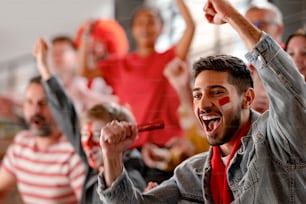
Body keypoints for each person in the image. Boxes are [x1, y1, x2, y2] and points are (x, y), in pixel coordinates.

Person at [96, 0, 306, 203]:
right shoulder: (192, 173)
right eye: (198, 95)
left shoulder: (278, 140)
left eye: (216, 92)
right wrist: (112, 158)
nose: (203, 105)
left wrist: (232, 16)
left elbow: (291, 91)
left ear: (247, 98)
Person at [79, 0, 195, 183]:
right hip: (129, 147)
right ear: (132, 30)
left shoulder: (169, 57)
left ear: (161, 28)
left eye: (151, 22)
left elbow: (190, 27)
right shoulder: (120, 65)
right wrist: (86, 37)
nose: (146, 27)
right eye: (140, 23)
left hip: (166, 148)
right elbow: (84, 70)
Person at [33, 38, 147, 203]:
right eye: (84, 134)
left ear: (123, 137)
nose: (86, 143)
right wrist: (45, 68)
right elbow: (68, 118)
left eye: (97, 135)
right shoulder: (95, 156)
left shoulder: (132, 176)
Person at [0, 76, 86, 204]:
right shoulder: (21, 143)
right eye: (29, 102)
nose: (36, 111)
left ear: (58, 107)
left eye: (44, 103)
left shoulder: (73, 151)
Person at [245, 1, 285, 113]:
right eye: (248, 26)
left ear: (279, 28)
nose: (253, 30)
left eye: (260, 24)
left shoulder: (297, 61)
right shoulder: (247, 72)